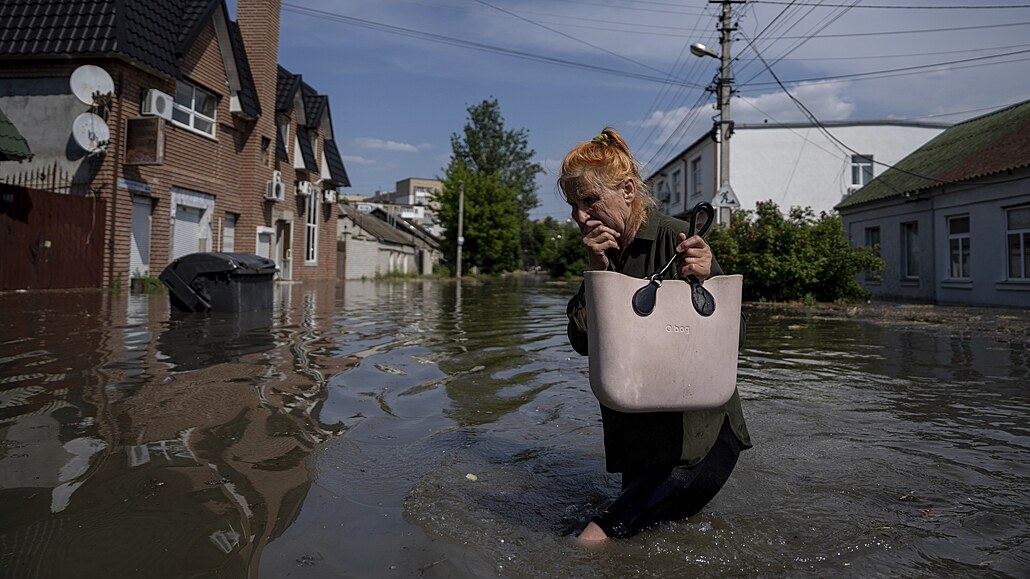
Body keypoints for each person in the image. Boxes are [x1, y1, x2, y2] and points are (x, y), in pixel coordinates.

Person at [559, 127, 752, 541]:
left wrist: (705, 277)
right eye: (573, 204)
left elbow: (735, 339)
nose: (579, 215)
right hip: (639, 442)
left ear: (628, 190)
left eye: (589, 200)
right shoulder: (603, 252)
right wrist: (597, 272)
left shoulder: (677, 238)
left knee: (594, 540)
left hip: (697, 441)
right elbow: (581, 343)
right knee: (648, 544)